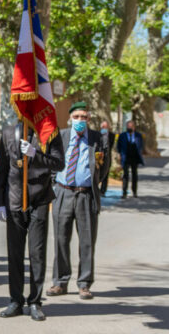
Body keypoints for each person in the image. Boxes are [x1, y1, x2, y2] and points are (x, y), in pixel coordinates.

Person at [0, 121, 64, 321]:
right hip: (14, 199)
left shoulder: (49, 133)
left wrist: (37, 154)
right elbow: (1, 169)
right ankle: (15, 300)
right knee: (14, 254)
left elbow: (59, 163)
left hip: (39, 199)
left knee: (37, 253)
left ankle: (35, 301)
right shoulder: (8, 132)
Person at [48, 102, 104, 301]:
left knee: (87, 241)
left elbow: (103, 167)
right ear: (70, 118)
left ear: (89, 120)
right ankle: (60, 282)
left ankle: (84, 284)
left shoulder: (97, 138)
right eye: (77, 117)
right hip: (63, 193)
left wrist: (93, 184)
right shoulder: (61, 136)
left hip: (86, 195)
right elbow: (51, 161)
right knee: (61, 239)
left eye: (84, 117)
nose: (81, 120)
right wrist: (56, 183)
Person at [116, 120, 145, 198]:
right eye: (128, 126)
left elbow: (141, 145)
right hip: (125, 157)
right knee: (125, 175)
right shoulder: (122, 135)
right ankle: (124, 192)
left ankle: (134, 191)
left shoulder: (138, 135)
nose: (129, 128)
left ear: (134, 127)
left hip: (134, 158)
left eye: (131, 126)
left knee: (134, 175)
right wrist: (119, 154)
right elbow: (118, 146)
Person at [98, 121, 116, 195]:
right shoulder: (97, 135)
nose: (104, 128)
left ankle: (103, 191)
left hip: (107, 157)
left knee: (106, 174)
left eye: (105, 127)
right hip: (98, 157)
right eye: (103, 127)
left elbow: (110, 146)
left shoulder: (112, 135)